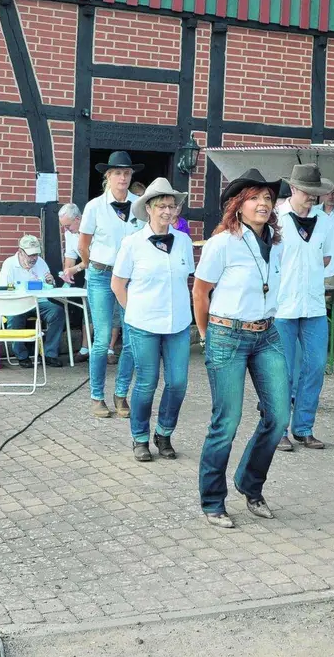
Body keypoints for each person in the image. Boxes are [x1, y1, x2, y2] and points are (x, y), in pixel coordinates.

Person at [192, 169, 288, 528]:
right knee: (226, 422)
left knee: (278, 416)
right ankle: (213, 500)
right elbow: (200, 293)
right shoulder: (222, 243)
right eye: (254, 198)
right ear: (238, 206)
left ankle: (250, 484)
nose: (263, 203)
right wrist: (206, 335)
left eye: (267, 198)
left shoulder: (276, 244)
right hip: (226, 334)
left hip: (267, 334)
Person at [112, 178, 196, 462]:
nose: (167, 212)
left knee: (178, 383)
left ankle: (164, 433)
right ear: (148, 208)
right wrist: (133, 313)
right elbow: (117, 285)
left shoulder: (184, 242)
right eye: (161, 206)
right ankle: (139, 438)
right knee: (147, 383)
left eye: (171, 206)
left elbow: (188, 280)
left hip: (179, 325)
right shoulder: (132, 243)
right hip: (143, 326)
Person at [273, 164, 334, 451]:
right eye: (309, 193)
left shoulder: (324, 222)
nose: (313, 198)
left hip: (313, 306)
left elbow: (325, 259)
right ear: (294, 189)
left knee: (315, 366)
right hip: (282, 306)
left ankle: (304, 428)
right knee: (282, 371)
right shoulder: (275, 219)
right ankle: (277, 430)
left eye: (317, 193)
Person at [78, 151, 143, 417]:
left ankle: (120, 394)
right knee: (103, 337)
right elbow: (83, 244)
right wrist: (91, 263)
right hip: (102, 275)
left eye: (127, 173)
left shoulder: (141, 205)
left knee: (130, 338)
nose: (123, 177)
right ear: (108, 176)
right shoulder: (94, 206)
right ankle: (96, 396)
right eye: (117, 173)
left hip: (130, 279)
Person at [0, 234, 66, 368]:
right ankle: (21, 355)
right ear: (20, 252)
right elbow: (2, 287)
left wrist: (51, 281)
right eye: (30, 255)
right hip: (17, 301)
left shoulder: (41, 263)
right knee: (15, 317)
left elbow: (49, 287)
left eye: (36, 255)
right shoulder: (10, 264)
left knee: (58, 312)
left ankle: (50, 354)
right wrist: (17, 287)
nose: (34, 258)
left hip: (39, 301)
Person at [58, 203, 84, 284]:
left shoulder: (94, 228)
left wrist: (74, 270)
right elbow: (70, 255)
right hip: (90, 276)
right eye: (63, 226)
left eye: (68, 226)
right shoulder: (69, 233)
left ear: (77, 219)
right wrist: (67, 274)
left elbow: (93, 259)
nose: (66, 229)